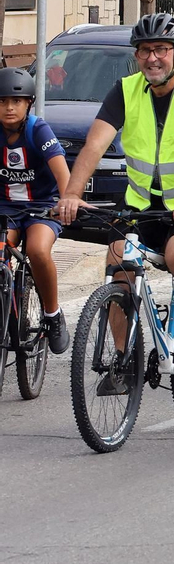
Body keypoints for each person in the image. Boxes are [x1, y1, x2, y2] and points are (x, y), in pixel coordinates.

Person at [57, 13, 174, 365]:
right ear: (135, 55)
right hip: (142, 202)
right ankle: (124, 361)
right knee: (118, 260)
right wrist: (72, 194)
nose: (152, 58)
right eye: (144, 51)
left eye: (161, 49)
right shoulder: (125, 91)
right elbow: (94, 146)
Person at [0, 68, 70, 354]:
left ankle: (52, 315)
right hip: (5, 208)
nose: (9, 107)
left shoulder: (37, 130)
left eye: (16, 101)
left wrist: (67, 203)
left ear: (29, 103)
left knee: (39, 250)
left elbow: (62, 174)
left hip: (42, 207)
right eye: (2, 101)